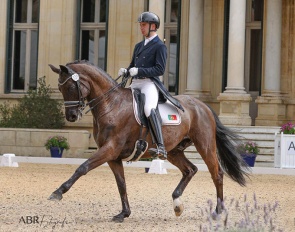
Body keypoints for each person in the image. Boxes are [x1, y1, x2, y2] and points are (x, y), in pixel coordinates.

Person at [118, 11, 184, 160]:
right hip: (135, 83)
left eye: (143, 25)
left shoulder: (160, 46)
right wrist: (127, 71)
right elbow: (132, 66)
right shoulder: (138, 46)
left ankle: (160, 146)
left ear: (153, 26)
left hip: (149, 84)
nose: (141, 28)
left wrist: (139, 70)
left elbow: (159, 69)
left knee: (148, 109)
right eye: (141, 25)